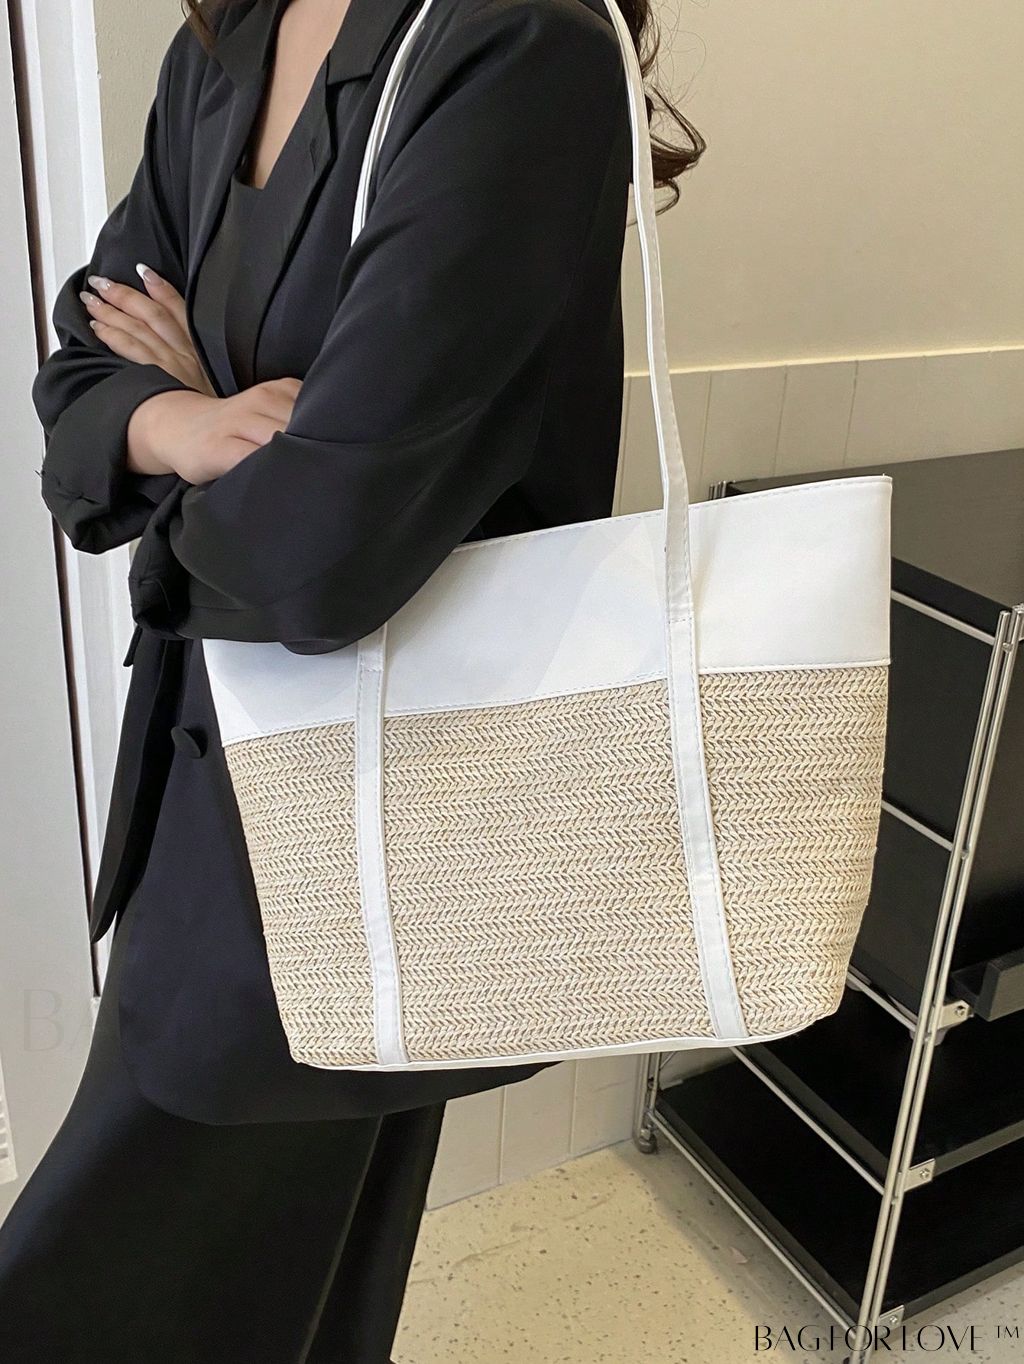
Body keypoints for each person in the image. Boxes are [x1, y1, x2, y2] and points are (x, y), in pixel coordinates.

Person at [0, 0, 703, 1357]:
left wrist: (191, 439)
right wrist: (188, 421)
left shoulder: (519, 46)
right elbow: (81, 371)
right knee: (289, 1300)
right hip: (205, 803)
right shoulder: (227, 37)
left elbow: (321, 559)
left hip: (381, 831)